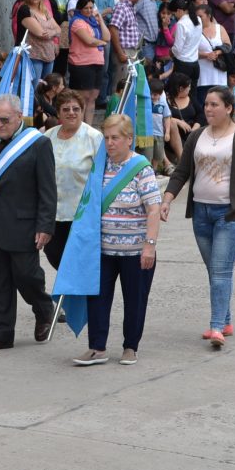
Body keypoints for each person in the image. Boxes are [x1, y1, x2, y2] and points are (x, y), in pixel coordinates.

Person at [161, 86, 235, 348]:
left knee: (220, 271)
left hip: (231, 215)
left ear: (229, 108)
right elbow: (182, 171)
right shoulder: (197, 137)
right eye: (206, 104)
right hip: (201, 214)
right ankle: (226, 320)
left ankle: (217, 327)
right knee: (216, 271)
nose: (208, 109)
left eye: (214, 105)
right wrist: (167, 199)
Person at [72, 114, 161, 366]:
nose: (110, 143)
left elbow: (153, 209)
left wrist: (149, 246)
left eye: (116, 138)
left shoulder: (141, 168)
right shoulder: (100, 167)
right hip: (102, 249)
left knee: (135, 300)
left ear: (129, 139)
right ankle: (97, 347)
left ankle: (130, 346)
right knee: (97, 299)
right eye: (107, 138)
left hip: (136, 251)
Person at [0, 94, 57, 353]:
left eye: (5, 120)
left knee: (27, 276)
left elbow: (47, 189)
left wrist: (45, 226)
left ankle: (44, 309)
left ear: (19, 117)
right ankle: (0, 333)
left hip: (24, 225)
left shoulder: (38, 144)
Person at [43, 89, 104, 273]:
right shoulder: (47, 137)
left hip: (81, 214)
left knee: (79, 264)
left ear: (83, 110)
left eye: (76, 109)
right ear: (58, 112)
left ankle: (75, 299)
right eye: (66, 109)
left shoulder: (94, 138)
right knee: (54, 255)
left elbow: (102, 177)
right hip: (52, 213)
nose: (71, 112)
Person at [67, 0, 109, 123]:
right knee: (81, 98)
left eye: (91, 8)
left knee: (92, 97)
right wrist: (101, 42)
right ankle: (79, 126)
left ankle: (89, 128)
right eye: (86, 8)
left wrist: (100, 19)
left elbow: (107, 37)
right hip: (81, 64)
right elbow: (88, 41)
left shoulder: (94, 21)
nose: (89, 11)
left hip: (97, 63)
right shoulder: (77, 22)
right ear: (80, 8)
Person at [16, 0, 60, 81]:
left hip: (49, 55)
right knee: (33, 90)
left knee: (45, 89)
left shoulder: (44, 10)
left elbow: (59, 29)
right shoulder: (24, 9)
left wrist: (53, 32)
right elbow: (41, 33)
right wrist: (53, 32)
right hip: (33, 56)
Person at [193, 3, 230, 121]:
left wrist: (217, 53)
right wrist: (205, 55)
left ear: (208, 16)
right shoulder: (194, 30)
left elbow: (228, 46)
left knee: (220, 102)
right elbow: (190, 51)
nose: (198, 19)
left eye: (200, 16)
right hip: (203, 74)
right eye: (196, 16)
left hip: (218, 73)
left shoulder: (220, 28)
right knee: (204, 103)